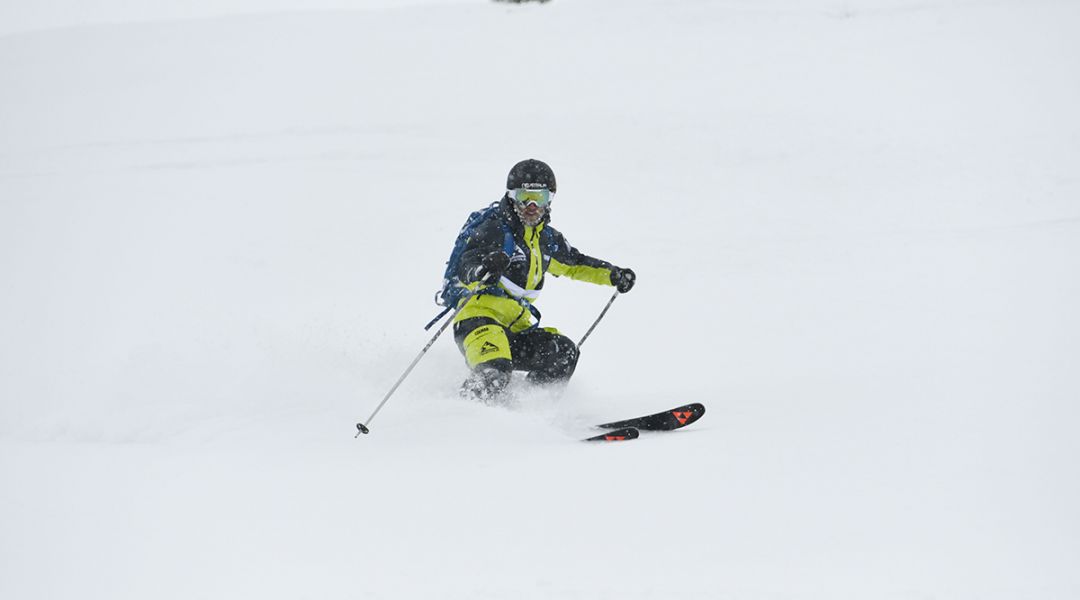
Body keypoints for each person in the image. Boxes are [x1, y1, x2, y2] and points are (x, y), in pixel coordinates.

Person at [452, 159, 636, 401]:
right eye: (524, 196)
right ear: (511, 196)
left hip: (515, 329)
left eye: (539, 198)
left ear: (550, 199)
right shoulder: (494, 229)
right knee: (494, 373)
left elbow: (575, 264)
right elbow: (466, 264)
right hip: (478, 320)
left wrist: (613, 274)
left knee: (563, 352)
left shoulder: (546, 240)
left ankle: (529, 414)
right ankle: (460, 420)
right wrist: (483, 268)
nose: (531, 205)